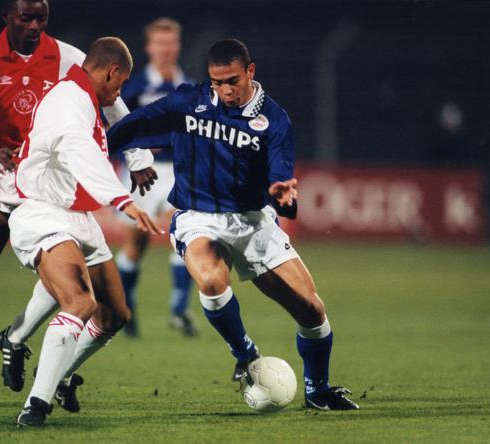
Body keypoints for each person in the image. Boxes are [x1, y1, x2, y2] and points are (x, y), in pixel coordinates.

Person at [106, 39, 359, 411]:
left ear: (250, 72)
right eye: (216, 82)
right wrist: (85, 149)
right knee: (210, 279)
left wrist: (282, 195)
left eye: (232, 81)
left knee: (312, 311)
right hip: (198, 217)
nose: (224, 90)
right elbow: (131, 126)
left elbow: (281, 178)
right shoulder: (188, 102)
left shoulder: (274, 120)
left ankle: (317, 391)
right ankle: (244, 352)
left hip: (253, 221)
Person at [0, 0, 142, 405]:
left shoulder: (68, 57)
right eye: (26, 18)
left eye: (42, 18)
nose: (35, 25)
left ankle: (16, 338)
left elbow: (112, 99)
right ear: (6, 17)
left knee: (68, 275)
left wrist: (137, 158)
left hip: (47, 182)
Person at [10, 36, 161, 426]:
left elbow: (118, 111)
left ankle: (49, 369)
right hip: (43, 214)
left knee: (115, 315)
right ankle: (36, 407)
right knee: (80, 303)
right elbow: (80, 150)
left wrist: (138, 156)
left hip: (77, 217)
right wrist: (122, 199)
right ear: (112, 72)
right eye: (121, 82)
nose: (120, 91)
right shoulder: (68, 102)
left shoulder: (88, 92)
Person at [116, 18, 197, 337]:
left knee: (185, 235)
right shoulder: (135, 86)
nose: (166, 49)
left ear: (178, 46)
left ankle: (179, 309)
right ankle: (128, 307)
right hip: (143, 172)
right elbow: (117, 124)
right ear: (149, 47)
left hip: (179, 170)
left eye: (171, 43)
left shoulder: (189, 86)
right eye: (160, 43)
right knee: (137, 242)